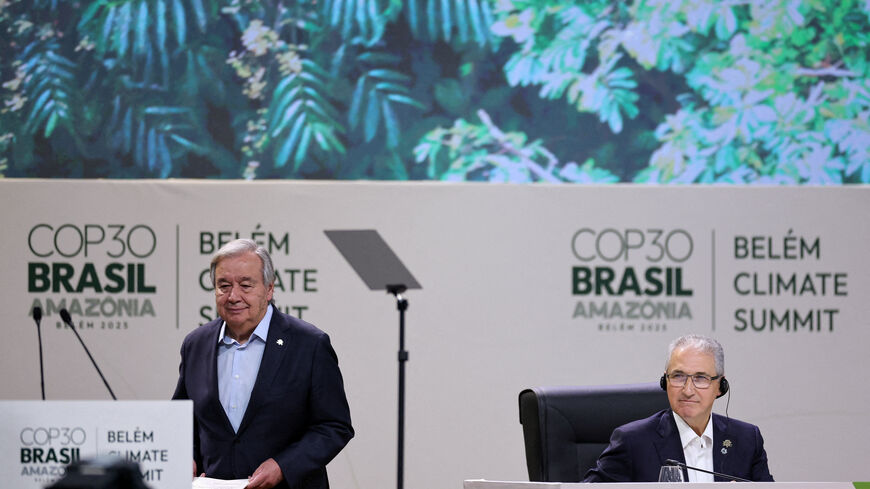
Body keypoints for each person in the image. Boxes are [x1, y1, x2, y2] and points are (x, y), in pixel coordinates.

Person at [173, 239, 353, 489]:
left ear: (269, 289)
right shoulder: (196, 344)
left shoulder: (309, 344)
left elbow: (334, 426)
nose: (233, 296)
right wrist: (186, 456)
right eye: (224, 286)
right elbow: (182, 420)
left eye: (245, 285)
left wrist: (283, 466)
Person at [583, 334, 773, 482]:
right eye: (678, 376)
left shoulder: (746, 440)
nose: (688, 390)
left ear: (720, 387)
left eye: (700, 378)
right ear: (664, 381)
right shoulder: (633, 441)